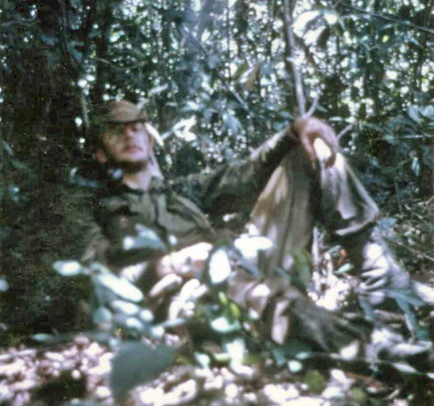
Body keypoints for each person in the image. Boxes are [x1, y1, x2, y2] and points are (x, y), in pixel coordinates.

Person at [79, 99, 433, 350]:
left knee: (310, 150)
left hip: (245, 264)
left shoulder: (185, 191)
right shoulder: (100, 210)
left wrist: (295, 130)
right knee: (251, 292)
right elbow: (98, 276)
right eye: (116, 131)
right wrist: (175, 263)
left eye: (136, 127)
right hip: (188, 295)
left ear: (149, 138)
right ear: (100, 152)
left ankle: (382, 279)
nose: (129, 135)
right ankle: (376, 349)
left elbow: (249, 176)